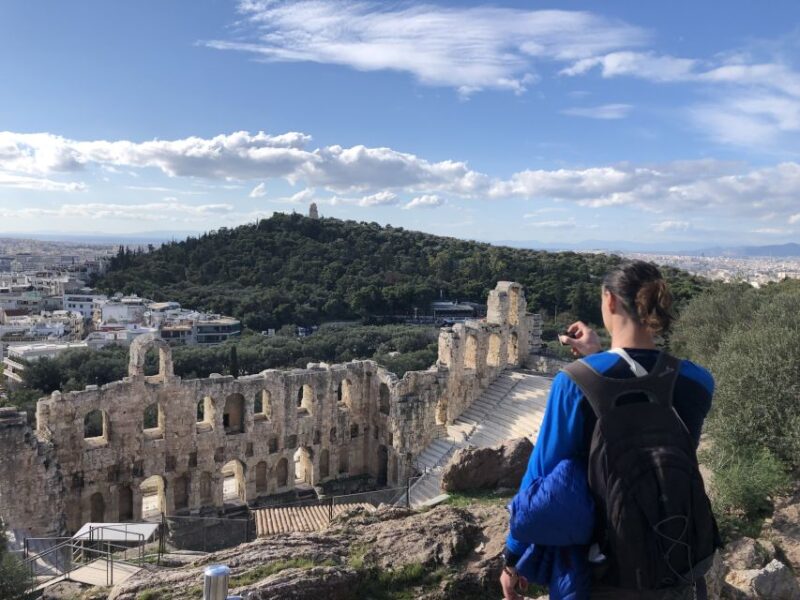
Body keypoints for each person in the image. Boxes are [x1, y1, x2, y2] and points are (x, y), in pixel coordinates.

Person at [500, 261, 716, 600]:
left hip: (603, 571)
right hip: (679, 564)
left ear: (610, 302)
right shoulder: (698, 381)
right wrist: (597, 357)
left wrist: (511, 561)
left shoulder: (574, 383)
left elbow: (539, 483)